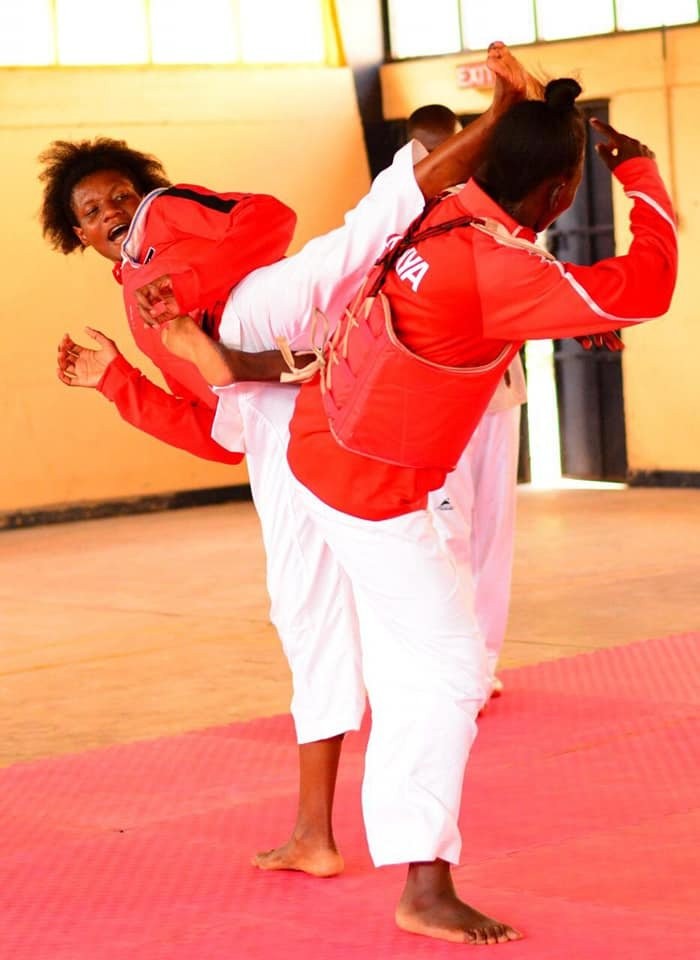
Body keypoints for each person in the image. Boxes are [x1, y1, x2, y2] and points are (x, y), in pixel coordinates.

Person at [48, 42, 534, 894]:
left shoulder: (170, 218)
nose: (114, 210)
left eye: (121, 192)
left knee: (361, 236)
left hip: (265, 316)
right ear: (77, 235)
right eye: (93, 210)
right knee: (309, 624)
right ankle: (315, 832)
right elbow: (217, 434)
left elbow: (268, 219)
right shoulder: (135, 298)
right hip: (276, 433)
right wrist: (117, 382)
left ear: (146, 189)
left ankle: (499, 124)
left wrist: (193, 298)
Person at [407, 103, 527, 701]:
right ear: (411, 154)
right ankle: (457, 668)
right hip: (439, 400)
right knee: (449, 532)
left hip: (500, 393)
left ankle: (484, 661)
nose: (444, 161)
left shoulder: (492, 201)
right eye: (430, 152)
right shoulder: (395, 213)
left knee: (493, 531)